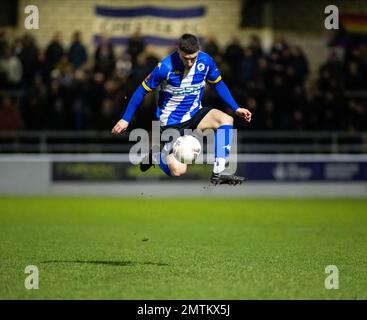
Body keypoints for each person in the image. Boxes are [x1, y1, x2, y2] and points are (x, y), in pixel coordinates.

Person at [112, 34, 252, 185]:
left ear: (198, 51)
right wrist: (125, 118)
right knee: (179, 171)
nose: (190, 63)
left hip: (194, 114)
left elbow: (218, 84)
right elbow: (141, 91)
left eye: (194, 58)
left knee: (226, 119)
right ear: (178, 51)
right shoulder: (165, 67)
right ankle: (157, 155)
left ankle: (219, 172)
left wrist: (236, 108)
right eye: (186, 58)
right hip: (171, 122)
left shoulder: (205, 61)